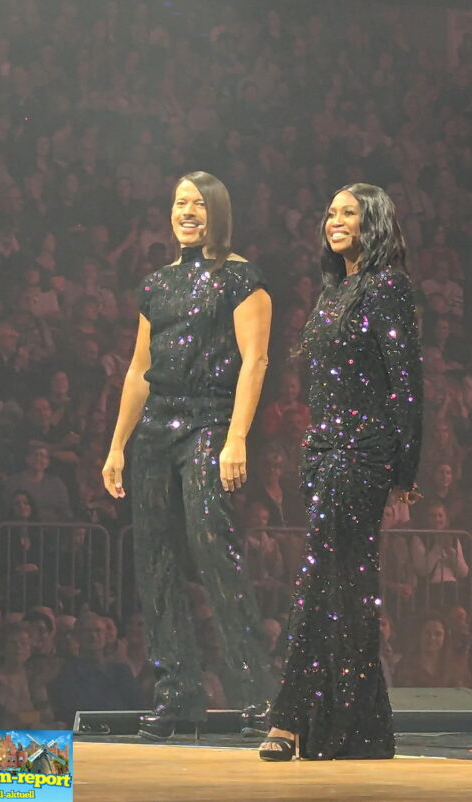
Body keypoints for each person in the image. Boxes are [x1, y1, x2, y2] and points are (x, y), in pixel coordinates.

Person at [102, 171, 276, 740]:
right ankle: (176, 696)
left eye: (198, 204)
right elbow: (139, 369)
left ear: (217, 212)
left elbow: (255, 361)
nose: (187, 212)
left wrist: (236, 436)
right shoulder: (156, 284)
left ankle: (259, 696)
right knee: (154, 560)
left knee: (212, 551)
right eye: (180, 203)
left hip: (208, 421)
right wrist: (117, 445)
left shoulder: (241, 278)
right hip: (155, 429)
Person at [261, 184, 422, 761]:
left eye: (348, 213)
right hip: (324, 450)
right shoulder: (333, 292)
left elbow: (406, 382)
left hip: (363, 453)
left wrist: (405, 467)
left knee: (320, 583)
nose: (334, 221)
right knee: (343, 589)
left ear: (371, 222)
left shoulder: (387, 288)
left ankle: (290, 719)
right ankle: (357, 726)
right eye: (330, 212)